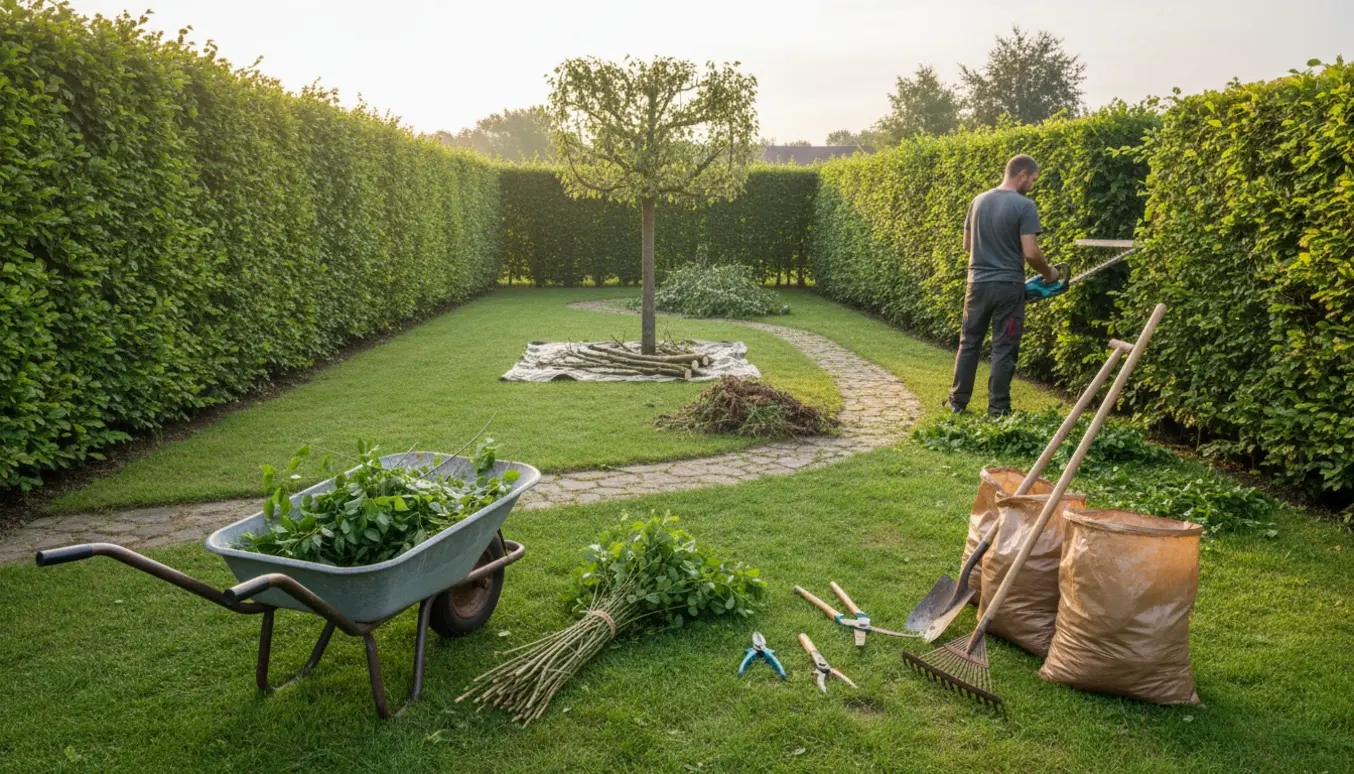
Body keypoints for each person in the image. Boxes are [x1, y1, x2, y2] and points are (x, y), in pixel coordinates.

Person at [945, 154, 1060, 416]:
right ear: (1022, 174)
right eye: (1032, 179)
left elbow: (967, 245)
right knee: (1004, 346)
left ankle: (957, 403)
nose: (1032, 185)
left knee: (969, 343)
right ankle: (998, 409)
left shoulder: (978, 201)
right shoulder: (1024, 205)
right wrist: (1049, 273)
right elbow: (1031, 253)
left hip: (976, 285)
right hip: (1008, 287)